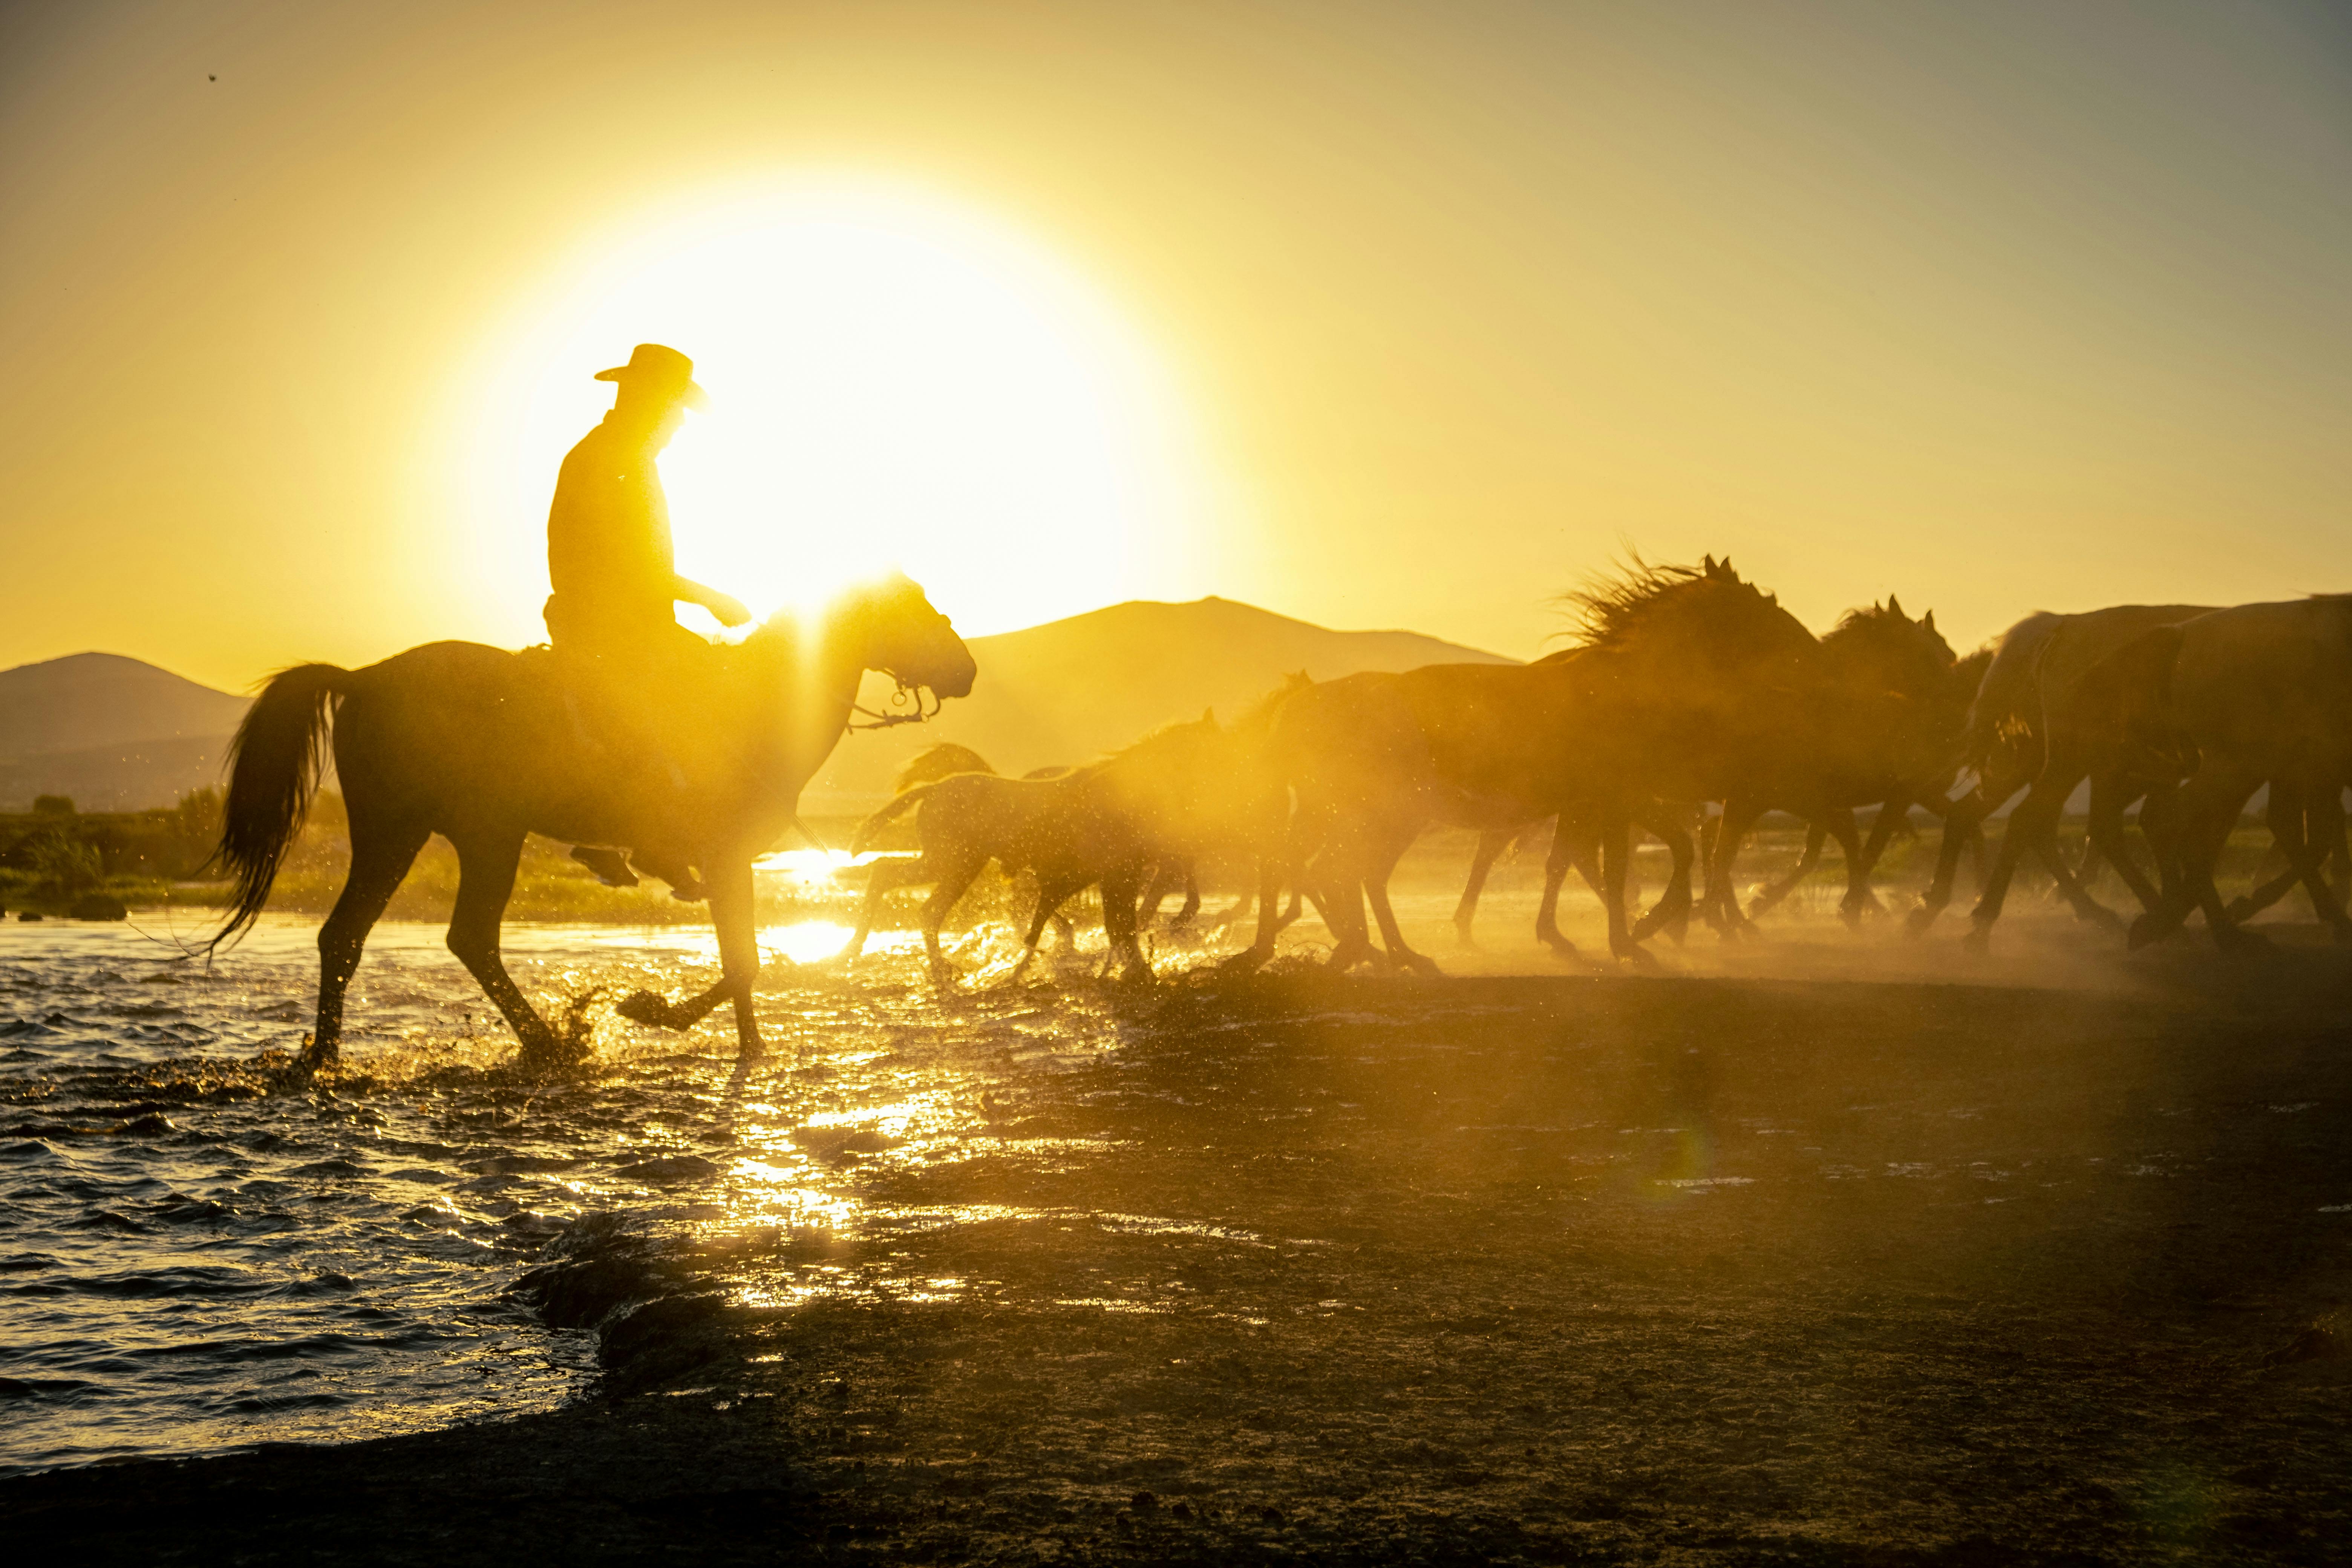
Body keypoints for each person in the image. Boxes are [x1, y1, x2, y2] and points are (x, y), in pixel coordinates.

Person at [544, 343, 749, 896]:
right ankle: (649, 836)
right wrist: (707, 596)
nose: (679, 427)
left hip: (622, 617)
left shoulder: (618, 456)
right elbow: (627, 566)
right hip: (609, 622)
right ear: (650, 405)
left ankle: (629, 833)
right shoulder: (612, 461)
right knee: (692, 700)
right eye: (675, 414)